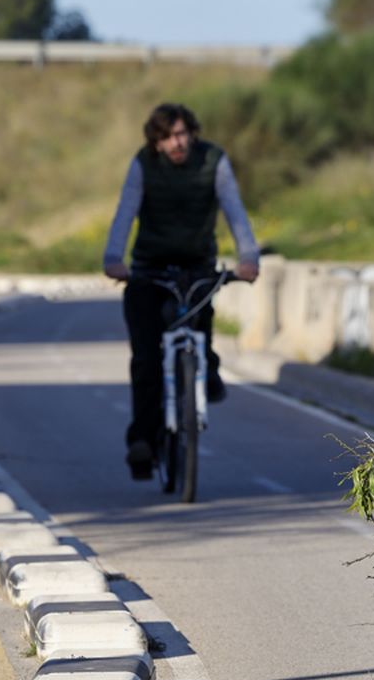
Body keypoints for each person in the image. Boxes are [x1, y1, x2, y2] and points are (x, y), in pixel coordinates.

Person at [102, 102, 260, 480]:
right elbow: (126, 210)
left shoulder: (213, 161)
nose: (179, 142)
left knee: (201, 337)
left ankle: (208, 371)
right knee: (146, 359)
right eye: (170, 136)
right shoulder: (142, 164)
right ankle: (141, 441)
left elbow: (234, 209)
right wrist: (113, 257)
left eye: (184, 133)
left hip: (196, 267)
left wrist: (248, 256)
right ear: (156, 141)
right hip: (149, 270)